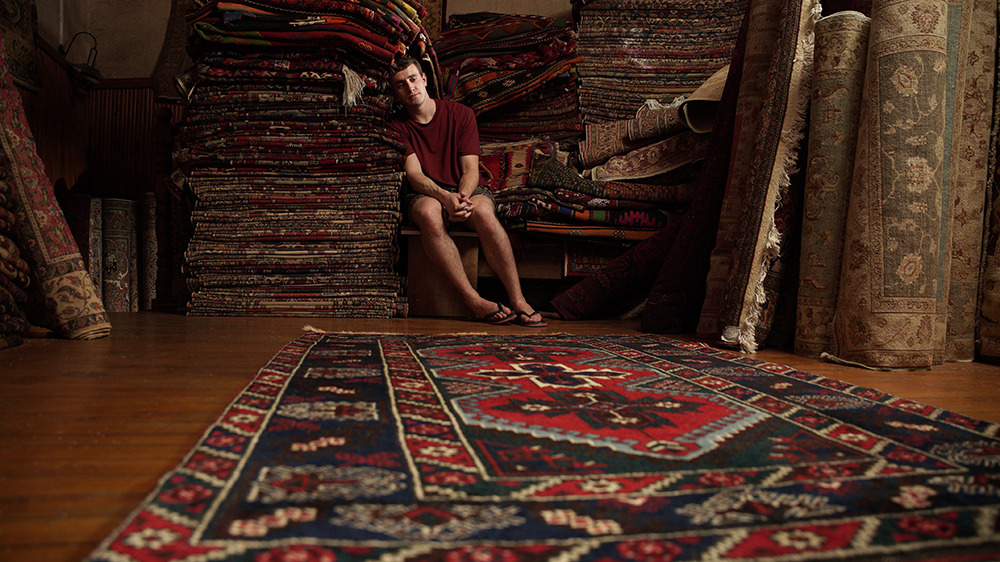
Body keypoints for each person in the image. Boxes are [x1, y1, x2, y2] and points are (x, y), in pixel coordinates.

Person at [386, 55, 546, 327]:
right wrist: (445, 198)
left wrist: (460, 197)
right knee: (427, 213)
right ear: (395, 93)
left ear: (424, 79)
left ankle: (518, 299)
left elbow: (470, 169)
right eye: (401, 84)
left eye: (413, 79)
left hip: (465, 187)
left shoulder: (461, 114)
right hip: (426, 193)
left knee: (483, 212)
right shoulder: (396, 126)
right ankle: (474, 300)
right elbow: (415, 176)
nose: (410, 87)